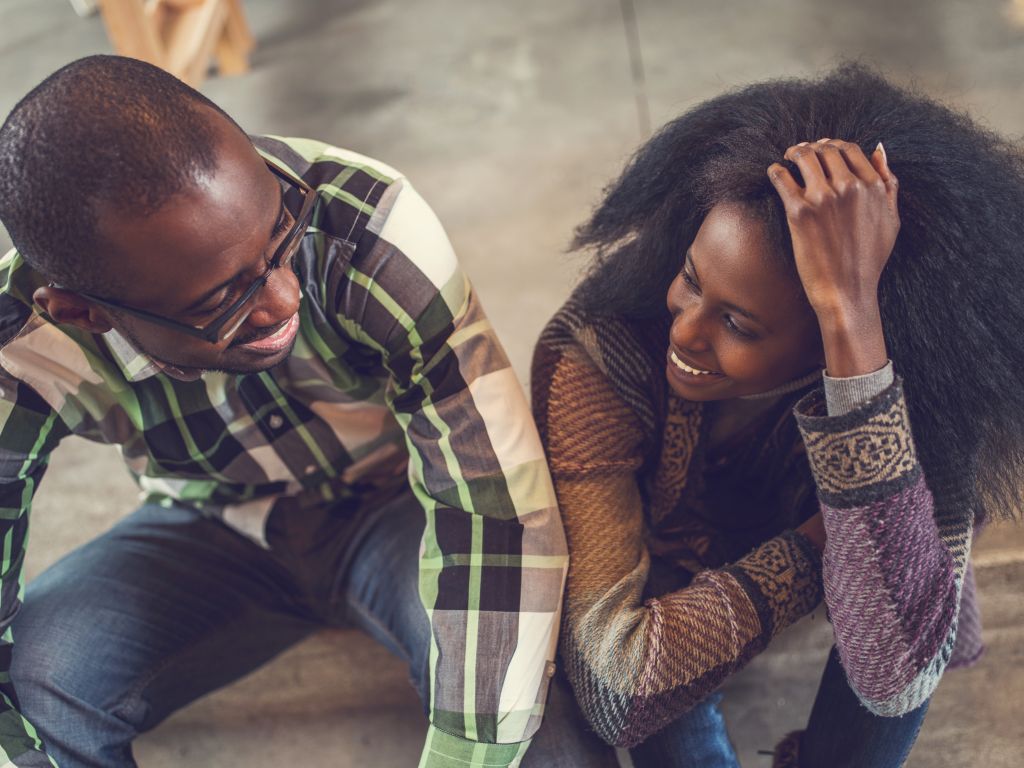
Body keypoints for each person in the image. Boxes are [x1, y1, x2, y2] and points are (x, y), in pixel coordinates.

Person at [0, 55, 575, 768]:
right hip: (214, 526)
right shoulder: (20, 348)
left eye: (280, 236)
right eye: (219, 301)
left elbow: (497, 513)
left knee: (535, 700)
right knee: (35, 689)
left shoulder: (364, 227)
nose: (282, 299)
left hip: (406, 507)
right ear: (83, 313)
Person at [531, 64, 1021, 767]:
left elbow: (893, 674)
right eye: (691, 281)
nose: (687, 333)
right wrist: (821, 544)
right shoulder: (598, 351)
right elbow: (618, 685)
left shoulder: (925, 388)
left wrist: (853, 323)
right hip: (670, 580)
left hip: (756, 590)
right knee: (884, 546)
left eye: (737, 323)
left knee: (893, 586)